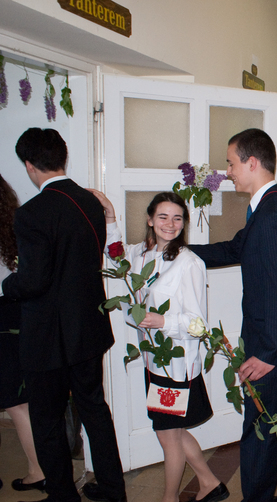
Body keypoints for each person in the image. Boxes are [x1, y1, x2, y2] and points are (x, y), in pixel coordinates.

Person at [189, 128, 277, 502]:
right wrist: (179, 251)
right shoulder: (267, 208)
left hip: (274, 354)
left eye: (231, 163)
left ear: (252, 162)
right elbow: (236, 249)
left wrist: (268, 354)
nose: (228, 172)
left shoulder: (273, 213)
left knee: (261, 435)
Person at [1, 128, 126, 502]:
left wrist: (9, 285)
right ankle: (113, 489)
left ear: (29, 165)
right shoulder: (91, 202)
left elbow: (34, 280)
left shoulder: (30, 214)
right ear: (62, 158)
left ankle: (62, 495)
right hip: (88, 329)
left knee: (48, 419)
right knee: (95, 411)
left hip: (47, 338)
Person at [89, 190, 228, 502]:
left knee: (167, 435)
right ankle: (209, 483)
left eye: (177, 218)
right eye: (163, 216)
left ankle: (169, 498)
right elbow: (115, 254)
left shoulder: (188, 263)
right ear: (150, 220)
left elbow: (198, 324)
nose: (170, 224)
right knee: (172, 431)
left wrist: (162, 321)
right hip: (154, 360)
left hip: (175, 364)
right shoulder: (140, 254)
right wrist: (110, 217)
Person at [0, 174, 46, 494]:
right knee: (19, 401)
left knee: (16, 403)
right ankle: (39, 469)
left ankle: (38, 470)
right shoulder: (14, 226)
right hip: (16, 313)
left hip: (4, 316)